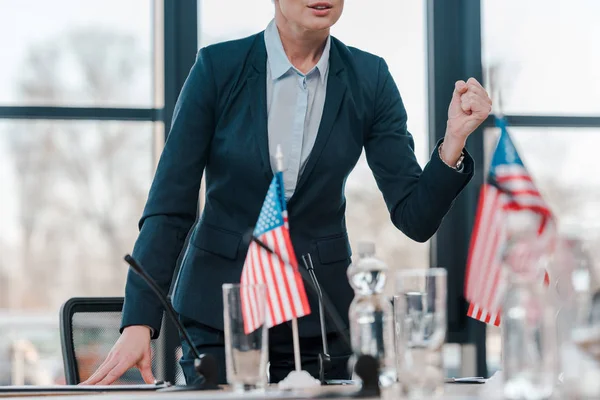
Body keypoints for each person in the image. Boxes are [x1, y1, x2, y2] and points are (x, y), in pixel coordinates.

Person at [82, 0, 492, 386]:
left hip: (318, 315)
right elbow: (170, 207)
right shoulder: (217, 68)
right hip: (219, 312)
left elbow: (415, 218)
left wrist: (454, 140)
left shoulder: (370, 78)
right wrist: (139, 320)